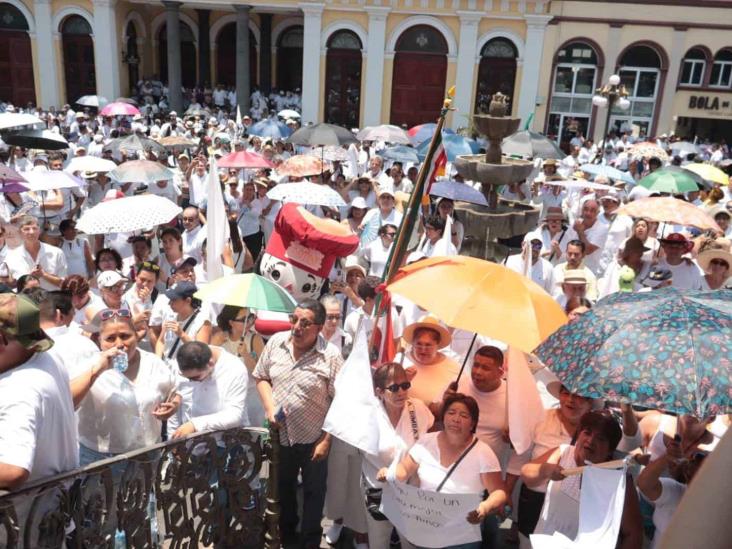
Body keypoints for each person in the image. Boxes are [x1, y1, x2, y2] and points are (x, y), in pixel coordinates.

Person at [253, 299, 343, 547]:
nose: (297, 328)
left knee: (314, 495)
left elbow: (341, 401)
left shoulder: (331, 356)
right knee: (283, 492)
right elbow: (261, 376)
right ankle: (288, 539)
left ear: (319, 326)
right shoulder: (275, 343)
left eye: (305, 323)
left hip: (314, 440)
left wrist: (326, 440)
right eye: (294, 319)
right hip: (280, 437)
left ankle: (310, 542)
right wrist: (270, 407)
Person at [376, 393, 508, 549]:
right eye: (451, 413)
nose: (456, 419)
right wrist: (389, 472)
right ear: (443, 417)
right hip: (427, 526)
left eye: (464, 415)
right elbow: (404, 470)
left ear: (473, 423)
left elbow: (499, 492)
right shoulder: (427, 441)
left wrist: (484, 508)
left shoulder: (483, 453)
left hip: (462, 533)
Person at [71, 308, 179, 467]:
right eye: (110, 338)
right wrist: (96, 372)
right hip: (102, 462)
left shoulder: (154, 363)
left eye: (125, 336)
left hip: (147, 457)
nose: (119, 344)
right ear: (99, 340)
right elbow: (68, 402)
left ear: (136, 335)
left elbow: (174, 392)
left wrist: (173, 406)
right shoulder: (88, 366)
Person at [521, 411, 643, 548]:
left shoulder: (619, 481)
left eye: (601, 439)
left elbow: (633, 534)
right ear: (579, 434)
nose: (591, 441)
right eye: (587, 432)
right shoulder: (563, 453)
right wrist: (544, 470)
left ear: (610, 450)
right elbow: (526, 475)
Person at [0, 293, 78, 489]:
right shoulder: (46, 355)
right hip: (57, 505)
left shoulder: (17, 391)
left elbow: (13, 471)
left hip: (25, 515)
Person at [359, 362, 433, 548]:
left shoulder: (418, 408)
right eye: (394, 388)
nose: (401, 392)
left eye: (405, 385)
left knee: (411, 543)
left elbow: (430, 434)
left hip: (412, 492)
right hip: (379, 491)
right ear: (379, 391)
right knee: (379, 542)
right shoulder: (367, 415)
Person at [168, 341, 251, 438]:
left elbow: (234, 415)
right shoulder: (185, 362)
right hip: (190, 444)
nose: (191, 381)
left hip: (226, 442)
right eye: (187, 378)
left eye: (196, 378)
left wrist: (194, 425)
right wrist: (172, 439)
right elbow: (178, 405)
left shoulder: (234, 369)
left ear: (211, 364)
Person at [637, 436, 707, 549]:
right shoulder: (677, 491)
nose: (695, 458)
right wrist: (667, 457)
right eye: (695, 461)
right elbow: (645, 484)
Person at [211, 306, 265, 428]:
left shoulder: (254, 339)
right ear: (231, 322)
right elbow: (207, 365)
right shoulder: (220, 338)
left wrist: (246, 355)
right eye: (244, 319)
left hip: (251, 396)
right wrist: (215, 344)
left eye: (250, 317)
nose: (249, 322)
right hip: (226, 396)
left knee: (253, 435)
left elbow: (261, 372)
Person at [401, 315, 461, 408]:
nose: (423, 350)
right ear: (412, 343)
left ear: (438, 345)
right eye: (419, 344)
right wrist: (403, 381)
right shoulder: (401, 361)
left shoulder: (454, 368)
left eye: (428, 345)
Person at [4, 215, 67, 289]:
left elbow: (64, 284)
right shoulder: (11, 257)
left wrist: (44, 274)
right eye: (26, 229)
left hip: (51, 299)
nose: (31, 232)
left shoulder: (56, 253)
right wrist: (29, 278)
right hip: (25, 300)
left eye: (34, 228)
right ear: (20, 232)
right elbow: (11, 286)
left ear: (39, 231)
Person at [155, 281, 212, 362]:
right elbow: (161, 342)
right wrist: (158, 361)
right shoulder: (171, 316)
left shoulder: (203, 322)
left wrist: (182, 334)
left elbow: (202, 354)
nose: (169, 303)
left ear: (188, 300)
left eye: (174, 300)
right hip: (166, 369)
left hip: (185, 371)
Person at [563, 199, 609, 275]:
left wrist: (580, 232)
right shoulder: (576, 224)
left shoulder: (602, 229)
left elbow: (588, 250)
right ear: (582, 210)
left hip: (588, 272)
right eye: (586, 209)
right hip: (569, 269)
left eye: (593, 210)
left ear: (598, 213)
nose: (588, 213)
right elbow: (566, 245)